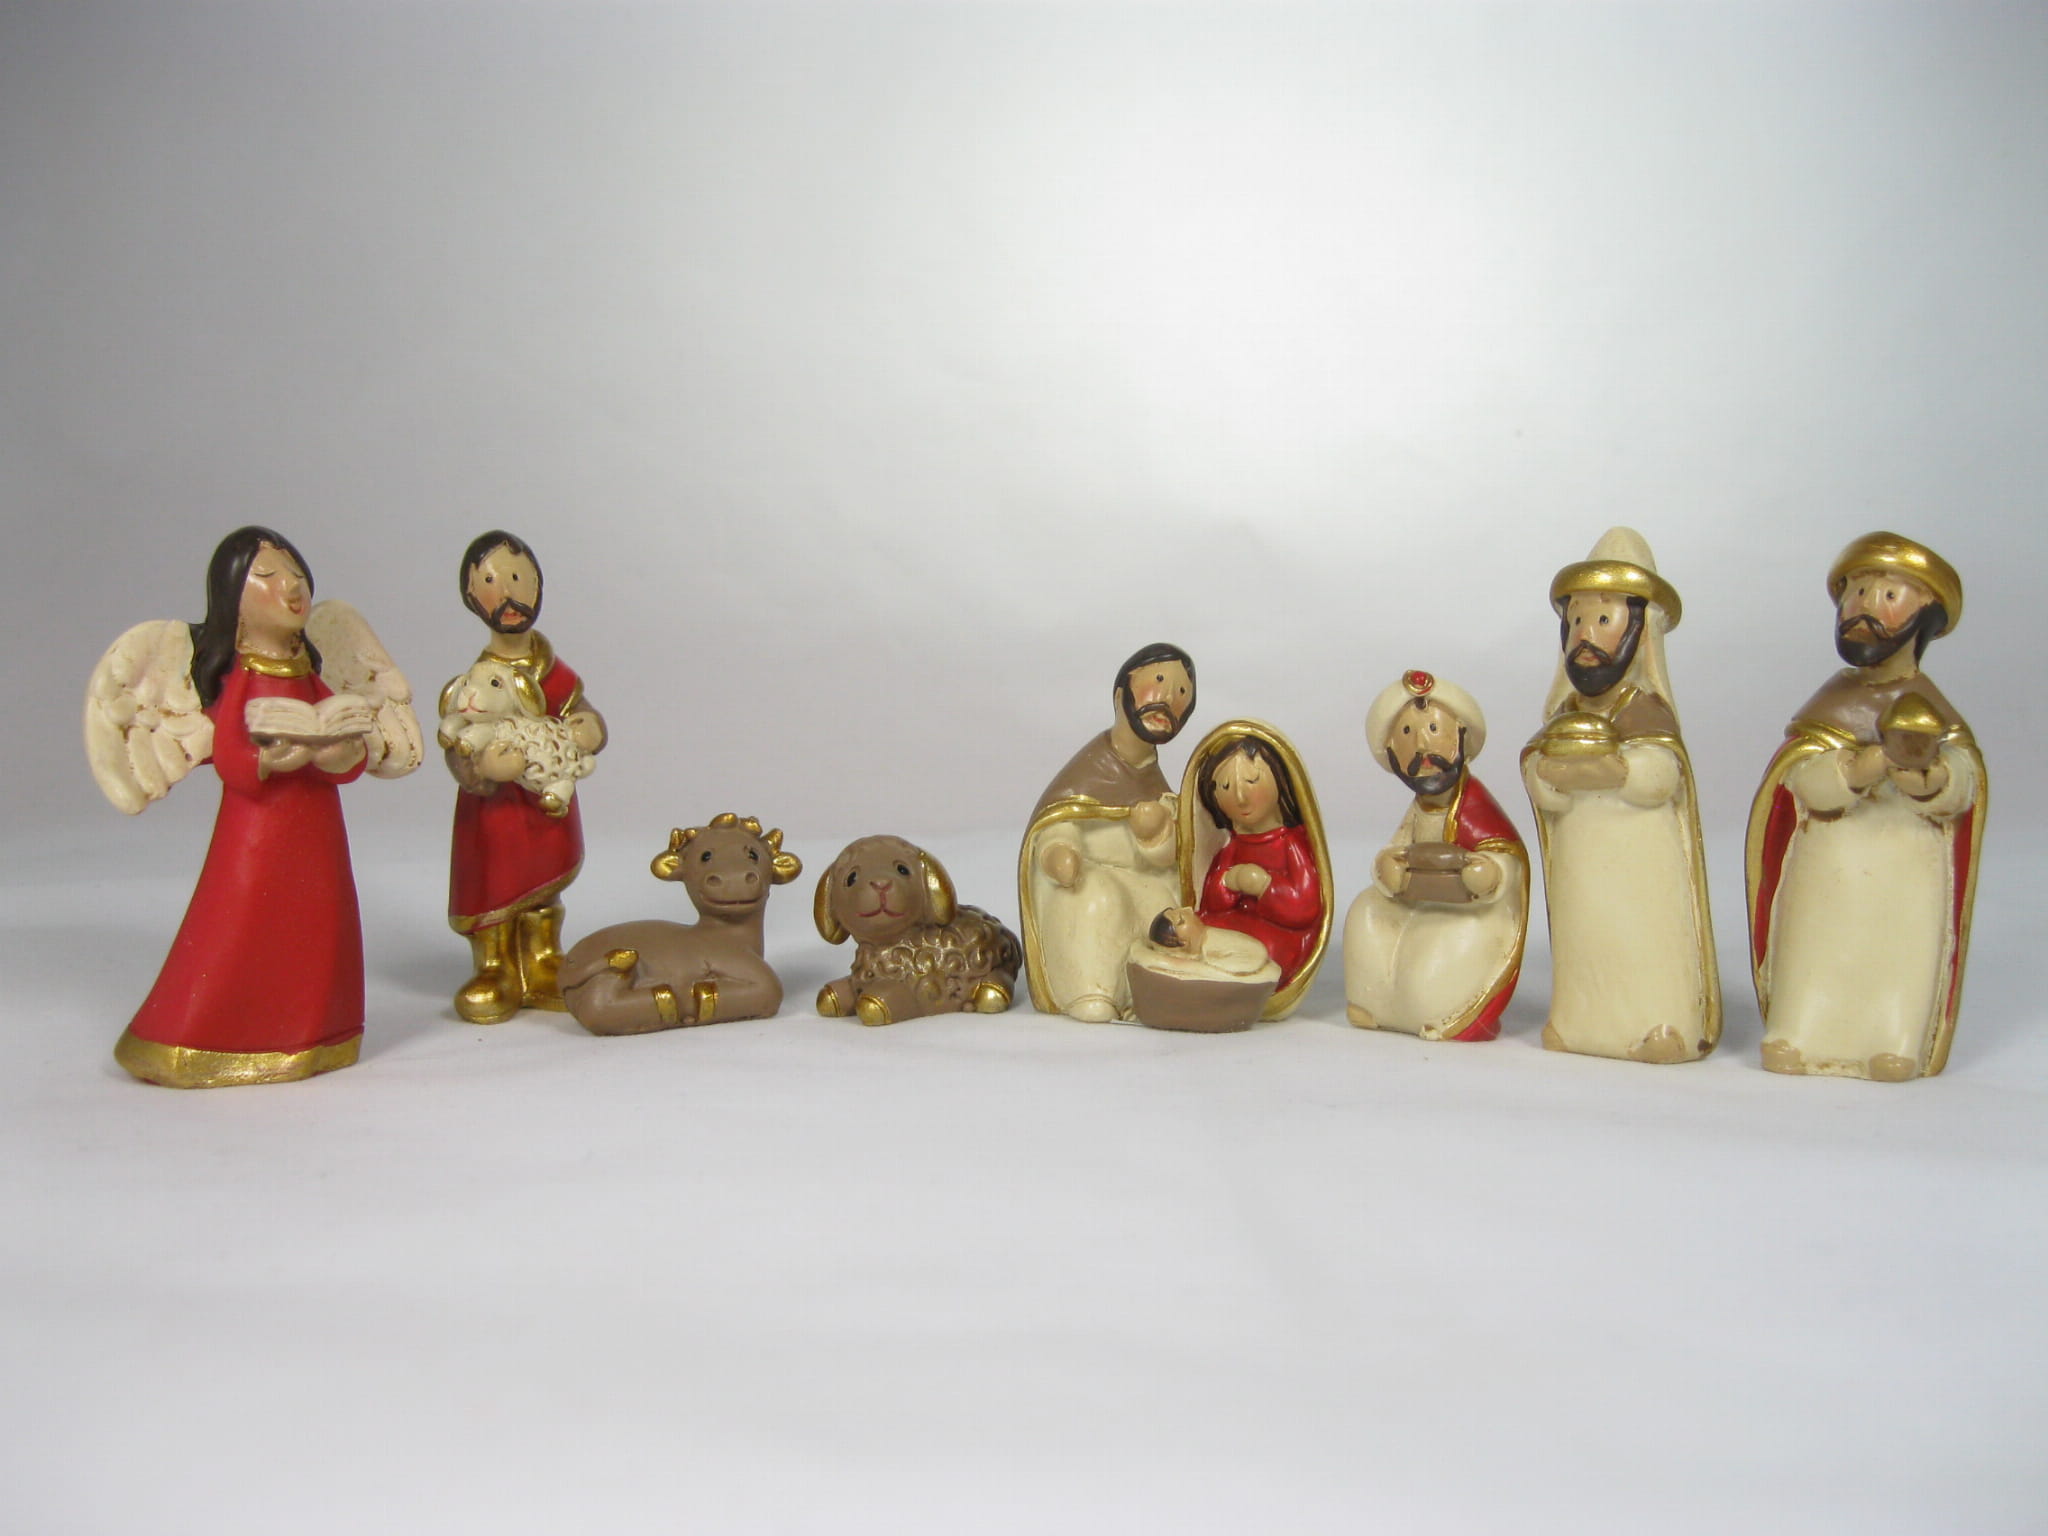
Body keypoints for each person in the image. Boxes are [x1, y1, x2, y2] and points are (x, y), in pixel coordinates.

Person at [111, 528, 381, 1086]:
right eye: (268, 576)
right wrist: (271, 759)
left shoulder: (307, 674)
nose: (291, 588)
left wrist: (340, 751)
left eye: (297, 576)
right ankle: (202, 1036)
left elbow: (348, 751)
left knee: (317, 921)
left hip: (316, 826)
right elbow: (232, 754)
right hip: (258, 831)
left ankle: (319, 1032)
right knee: (240, 920)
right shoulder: (244, 676)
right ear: (233, 598)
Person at [1746, 533, 1985, 1081]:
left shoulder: (1934, 710)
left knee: (1899, 951)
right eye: (1855, 594)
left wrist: (1932, 779)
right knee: (1813, 943)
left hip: (1907, 864)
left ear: (1926, 616)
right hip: (1828, 860)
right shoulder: (1830, 705)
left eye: (1888, 596)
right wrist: (1857, 770)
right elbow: (1798, 779)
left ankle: (1894, 1039)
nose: (1863, 610)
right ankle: (1796, 1031)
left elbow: (1964, 782)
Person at [1520, 527, 1720, 1064]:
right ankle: (1579, 1020)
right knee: (1586, 937)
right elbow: (1541, 778)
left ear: (1639, 632)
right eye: (1576, 621)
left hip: (1640, 860)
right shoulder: (1567, 714)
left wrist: (1602, 770)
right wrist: (1553, 773)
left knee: (1643, 935)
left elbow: (1659, 776)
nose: (1585, 636)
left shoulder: (1643, 710)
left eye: (1603, 620)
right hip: (1582, 857)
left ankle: (1661, 1022)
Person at [444, 532, 608, 1022]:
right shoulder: (478, 682)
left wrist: (589, 727)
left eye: (519, 579)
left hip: (544, 804)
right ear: (472, 596)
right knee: (493, 879)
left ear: (538, 587)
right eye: (492, 581)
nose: (509, 593)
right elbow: (458, 740)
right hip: (495, 812)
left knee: (544, 877)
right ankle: (493, 965)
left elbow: (580, 710)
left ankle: (542, 956)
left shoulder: (553, 671)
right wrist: (481, 768)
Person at [1343, 670, 1528, 1042]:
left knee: (1435, 949)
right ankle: (1374, 1004)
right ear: (1392, 752)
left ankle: (1435, 1009)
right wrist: (1386, 867)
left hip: (1466, 909)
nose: (1422, 747)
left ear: (1461, 737)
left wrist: (1487, 874)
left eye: (1433, 729)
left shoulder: (1476, 806)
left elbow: (1505, 857)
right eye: (1407, 733)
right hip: (1416, 899)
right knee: (1366, 910)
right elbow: (1396, 847)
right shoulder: (1419, 808)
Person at [1018, 643, 1197, 1022]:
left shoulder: (1158, 785)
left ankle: (1145, 996)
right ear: (1120, 695)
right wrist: (1058, 852)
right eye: (1159, 681)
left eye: (1182, 692)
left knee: (1164, 906)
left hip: (1142, 881)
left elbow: (1171, 859)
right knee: (1096, 898)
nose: (1168, 698)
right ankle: (1091, 993)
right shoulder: (1085, 773)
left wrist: (1155, 836)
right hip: (1090, 875)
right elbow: (1056, 823)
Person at [1190, 731, 1323, 986]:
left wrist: (1264, 886)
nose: (1240, 797)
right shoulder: (1233, 846)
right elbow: (1211, 903)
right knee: (1200, 926)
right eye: (1225, 787)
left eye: (1252, 780)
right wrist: (1227, 882)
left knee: (1264, 950)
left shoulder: (1292, 844)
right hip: (1233, 926)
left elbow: (1306, 908)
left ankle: (1234, 978)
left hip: (1279, 935)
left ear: (1280, 780)